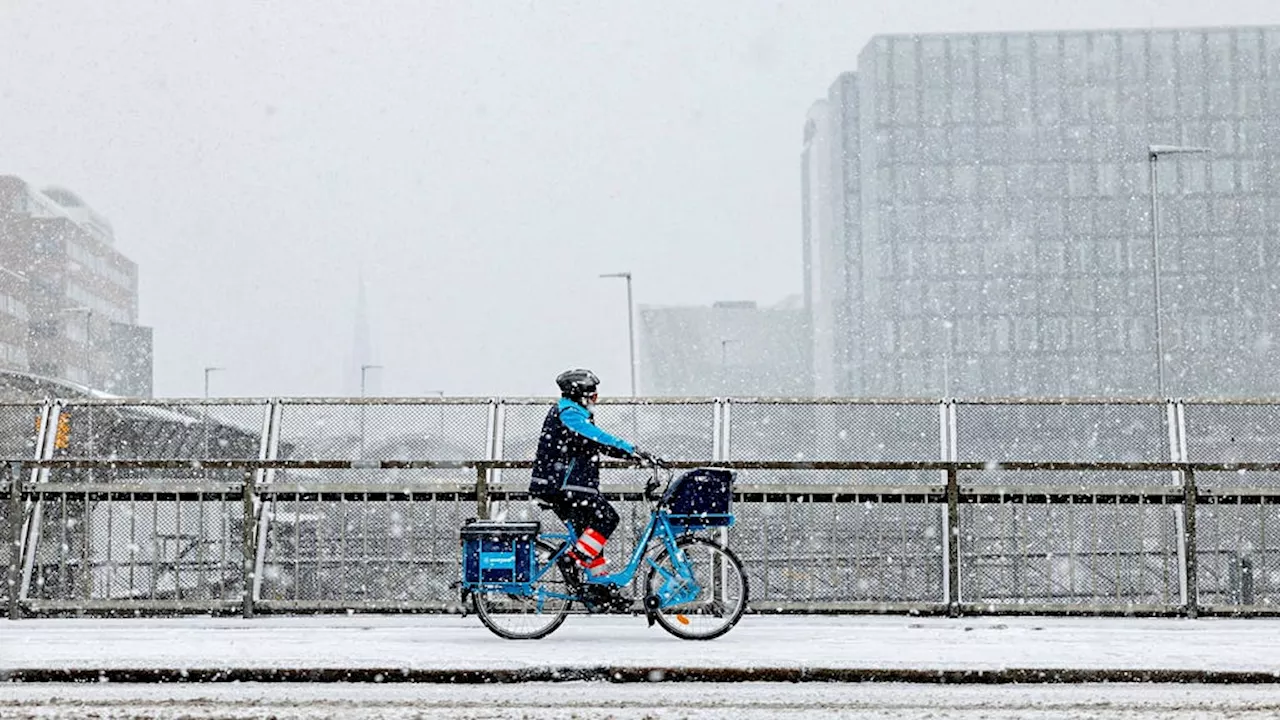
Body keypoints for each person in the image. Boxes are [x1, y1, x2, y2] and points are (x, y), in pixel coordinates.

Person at [529, 368, 655, 578]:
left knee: (590, 540)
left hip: (568, 486)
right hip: (565, 486)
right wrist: (633, 452)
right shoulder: (569, 414)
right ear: (580, 396)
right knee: (607, 518)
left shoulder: (570, 412)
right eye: (594, 396)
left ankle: (599, 588)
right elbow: (598, 439)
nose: (596, 400)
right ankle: (571, 561)